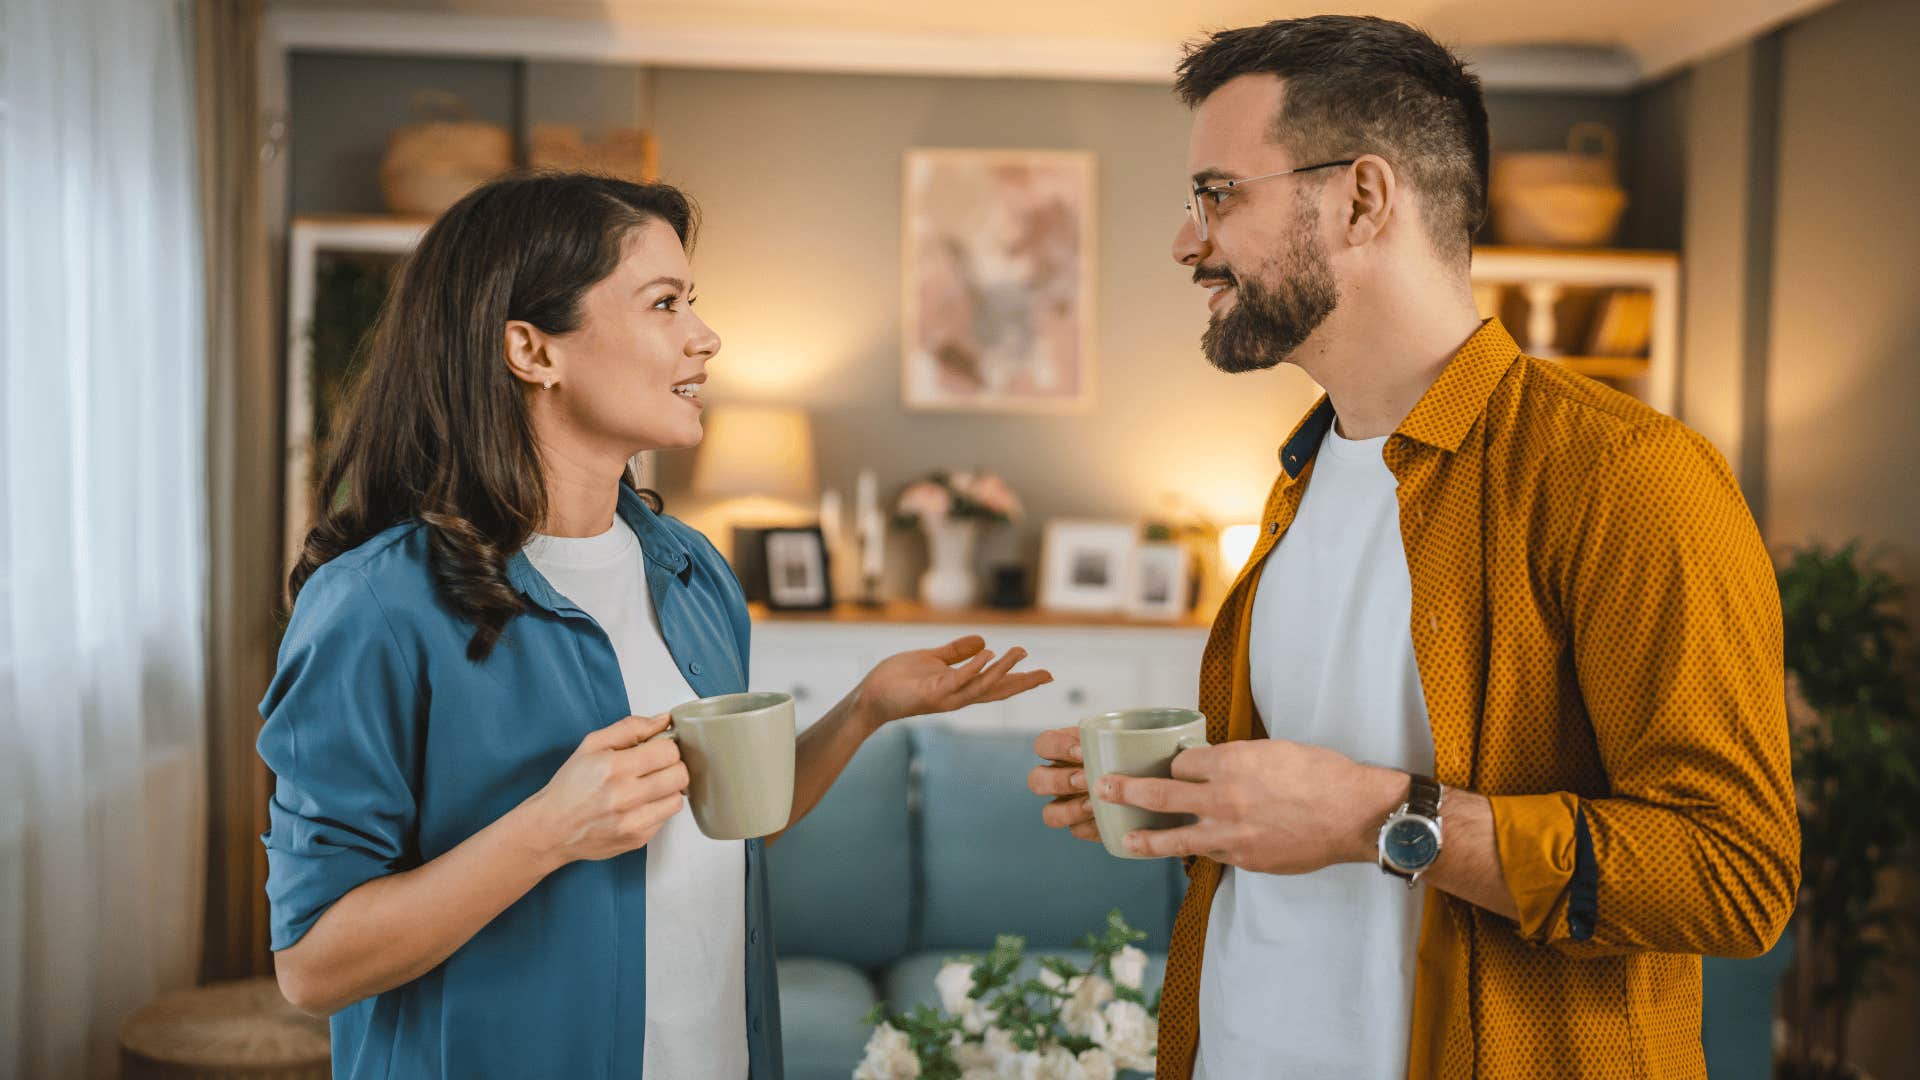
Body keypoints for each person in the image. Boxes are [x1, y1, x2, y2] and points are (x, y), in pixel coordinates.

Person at [1025, 16, 1797, 1079]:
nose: (1185, 239)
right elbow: (1310, 816)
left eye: (1219, 193)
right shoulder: (1300, 478)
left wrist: (1376, 818)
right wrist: (1199, 799)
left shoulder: (1627, 476)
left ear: (1362, 198)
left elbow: (1734, 875)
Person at [259, 173, 1052, 1079]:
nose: (705, 337)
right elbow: (313, 966)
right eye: (664, 303)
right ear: (530, 348)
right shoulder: (376, 607)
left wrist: (866, 709)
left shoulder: (692, 570)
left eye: (694, 303)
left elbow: (729, 823)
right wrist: (550, 829)